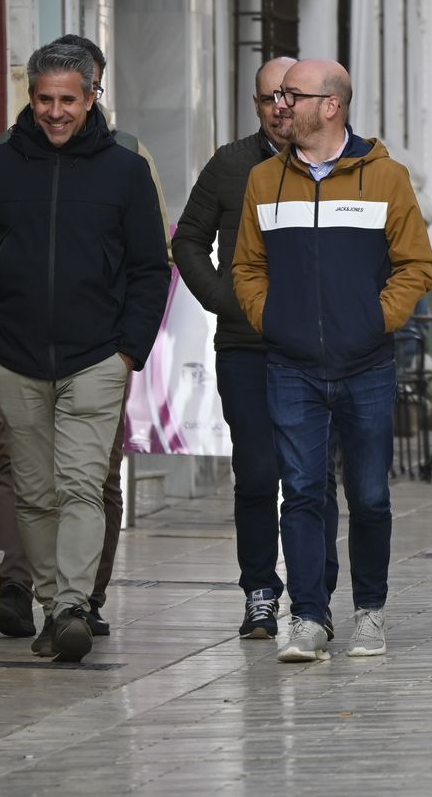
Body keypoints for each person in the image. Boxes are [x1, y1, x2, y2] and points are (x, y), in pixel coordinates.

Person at [0, 40, 170, 662]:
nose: (55, 111)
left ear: (93, 97)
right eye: (44, 99)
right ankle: (53, 604)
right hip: (10, 359)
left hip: (97, 357)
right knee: (36, 491)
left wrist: (129, 350)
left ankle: (72, 604)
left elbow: (151, 268)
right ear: (31, 97)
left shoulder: (124, 170)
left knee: (79, 486)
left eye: (69, 99)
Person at [231, 59, 432, 663]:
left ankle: (369, 610)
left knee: (370, 495)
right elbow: (246, 267)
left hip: (367, 365)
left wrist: (373, 321)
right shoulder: (264, 180)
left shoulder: (387, 177)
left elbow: (417, 266)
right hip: (290, 366)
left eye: (294, 95)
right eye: (279, 95)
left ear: (331, 105)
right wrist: (273, 319)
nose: (280, 105)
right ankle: (310, 618)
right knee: (299, 493)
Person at [173, 57, 342, 639]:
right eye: (267, 99)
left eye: (287, 97)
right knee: (256, 472)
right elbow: (187, 240)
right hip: (247, 345)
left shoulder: (333, 165)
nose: (279, 108)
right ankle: (260, 592)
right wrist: (224, 298)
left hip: (318, 348)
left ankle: (315, 594)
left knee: (314, 474)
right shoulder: (231, 165)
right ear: (256, 104)